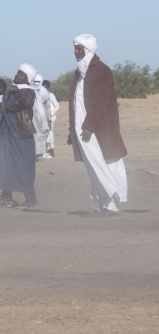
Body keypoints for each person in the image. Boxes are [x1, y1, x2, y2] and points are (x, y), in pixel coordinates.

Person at [69, 34, 128, 214]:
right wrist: (73, 129)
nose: (76, 52)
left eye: (80, 48)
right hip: (83, 125)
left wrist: (88, 126)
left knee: (104, 161)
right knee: (92, 164)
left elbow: (100, 101)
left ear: (88, 49)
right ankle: (103, 202)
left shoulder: (101, 70)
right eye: (76, 48)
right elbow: (76, 103)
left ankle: (112, 202)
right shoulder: (80, 71)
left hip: (98, 126)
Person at [0, 64, 40, 208]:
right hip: (6, 132)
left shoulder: (29, 91)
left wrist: (17, 92)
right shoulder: (10, 92)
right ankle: (7, 198)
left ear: (27, 78)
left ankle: (31, 200)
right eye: (17, 73)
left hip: (21, 133)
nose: (17, 75)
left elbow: (26, 103)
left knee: (23, 165)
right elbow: (0, 109)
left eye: (21, 74)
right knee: (5, 165)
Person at [31, 73, 52, 159]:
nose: (36, 83)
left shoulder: (44, 92)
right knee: (33, 134)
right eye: (34, 81)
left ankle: (40, 153)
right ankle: (34, 153)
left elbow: (48, 106)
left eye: (38, 81)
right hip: (32, 114)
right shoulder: (30, 90)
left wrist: (49, 120)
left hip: (43, 115)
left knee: (43, 133)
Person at [43, 80, 59, 157]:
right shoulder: (40, 95)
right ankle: (46, 150)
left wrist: (50, 114)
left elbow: (57, 106)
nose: (45, 88)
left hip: (51, 118)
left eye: (46, 87)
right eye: (43, 87)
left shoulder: (51, 95)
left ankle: (52, 149)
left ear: (48, 87)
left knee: (50, 132)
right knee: (44, 133)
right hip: (43, 118)